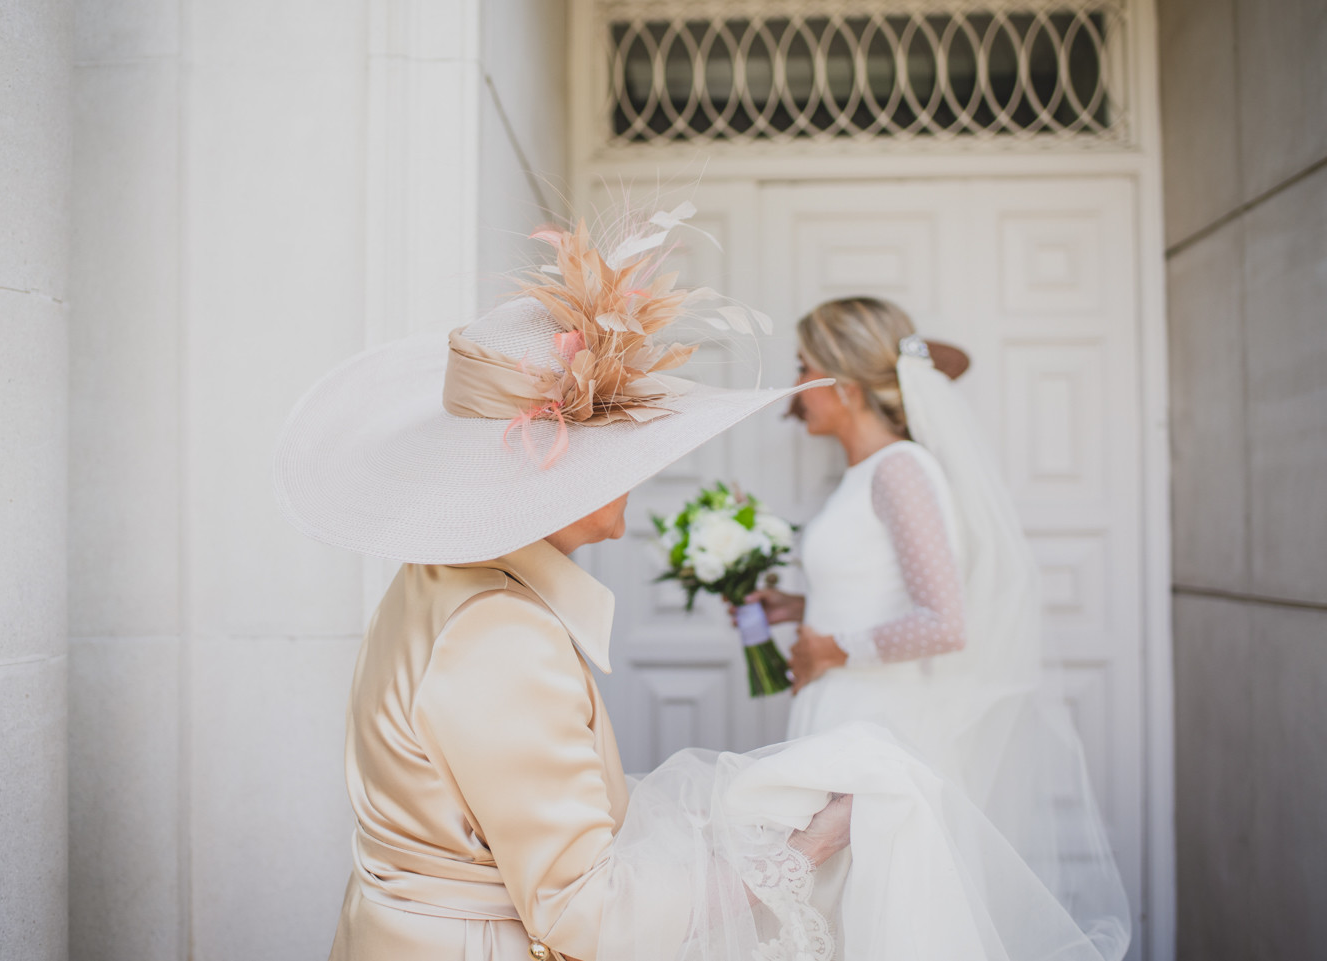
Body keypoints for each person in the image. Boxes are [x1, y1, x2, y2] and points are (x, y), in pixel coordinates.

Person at [275, 213, 1130, 961]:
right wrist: (797, 849)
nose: (643, 479)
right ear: (548, 479)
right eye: (626, 457)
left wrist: (826, 641)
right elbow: (587, 910)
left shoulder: (432, 579)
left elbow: (947, 617)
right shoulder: (503, 635)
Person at [743, 296, 1130, 951]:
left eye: (805, 368)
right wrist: (797, 611)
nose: (797, 388)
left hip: (882, 724)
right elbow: (883, 597)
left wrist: (830, 647)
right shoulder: (866, 473)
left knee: (886, 914)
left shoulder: (901, 470)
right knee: (838, 913)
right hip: (845, 710)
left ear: (845, 383)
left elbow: (946, 623)